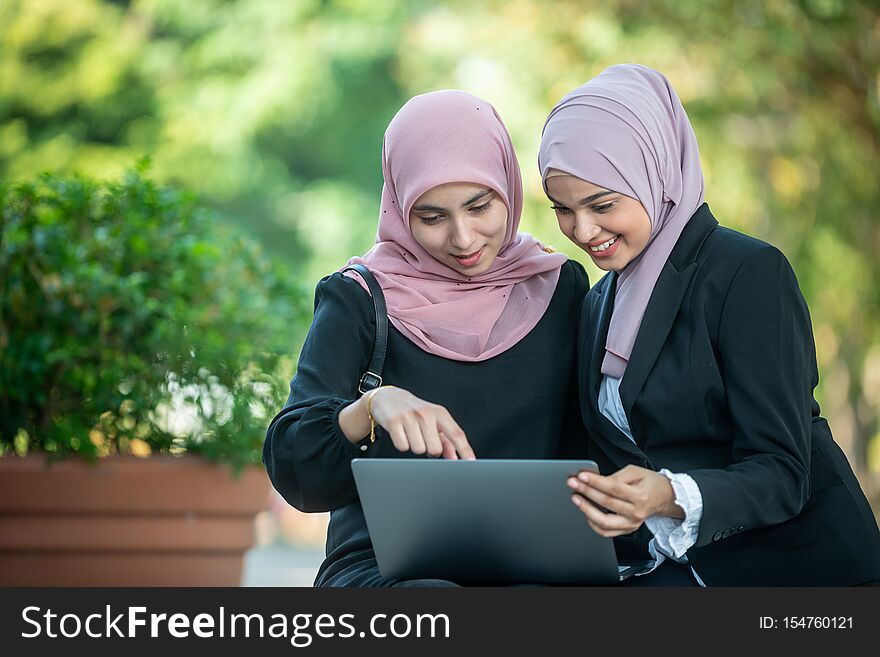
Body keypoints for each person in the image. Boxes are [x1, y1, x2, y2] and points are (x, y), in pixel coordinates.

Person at [538, 63, 880, 586]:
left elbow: (783, 471)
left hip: (794, 573)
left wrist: (670, 494)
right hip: (667, 574)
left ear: (654, 175)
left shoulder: (746, 272)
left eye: (602, 204)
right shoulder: (598, 301)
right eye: (562, 209)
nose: (582, 231)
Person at [264, 90, 590, 587]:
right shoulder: (358, 297)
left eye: (480, 207)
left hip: (528, 561)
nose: (463, 238)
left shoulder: (557, 286)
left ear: (508, 187)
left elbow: (588, 442)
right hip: (383, 567)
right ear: (399, 207)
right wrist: (369, 408)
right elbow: (294, 467)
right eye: (432, 217)